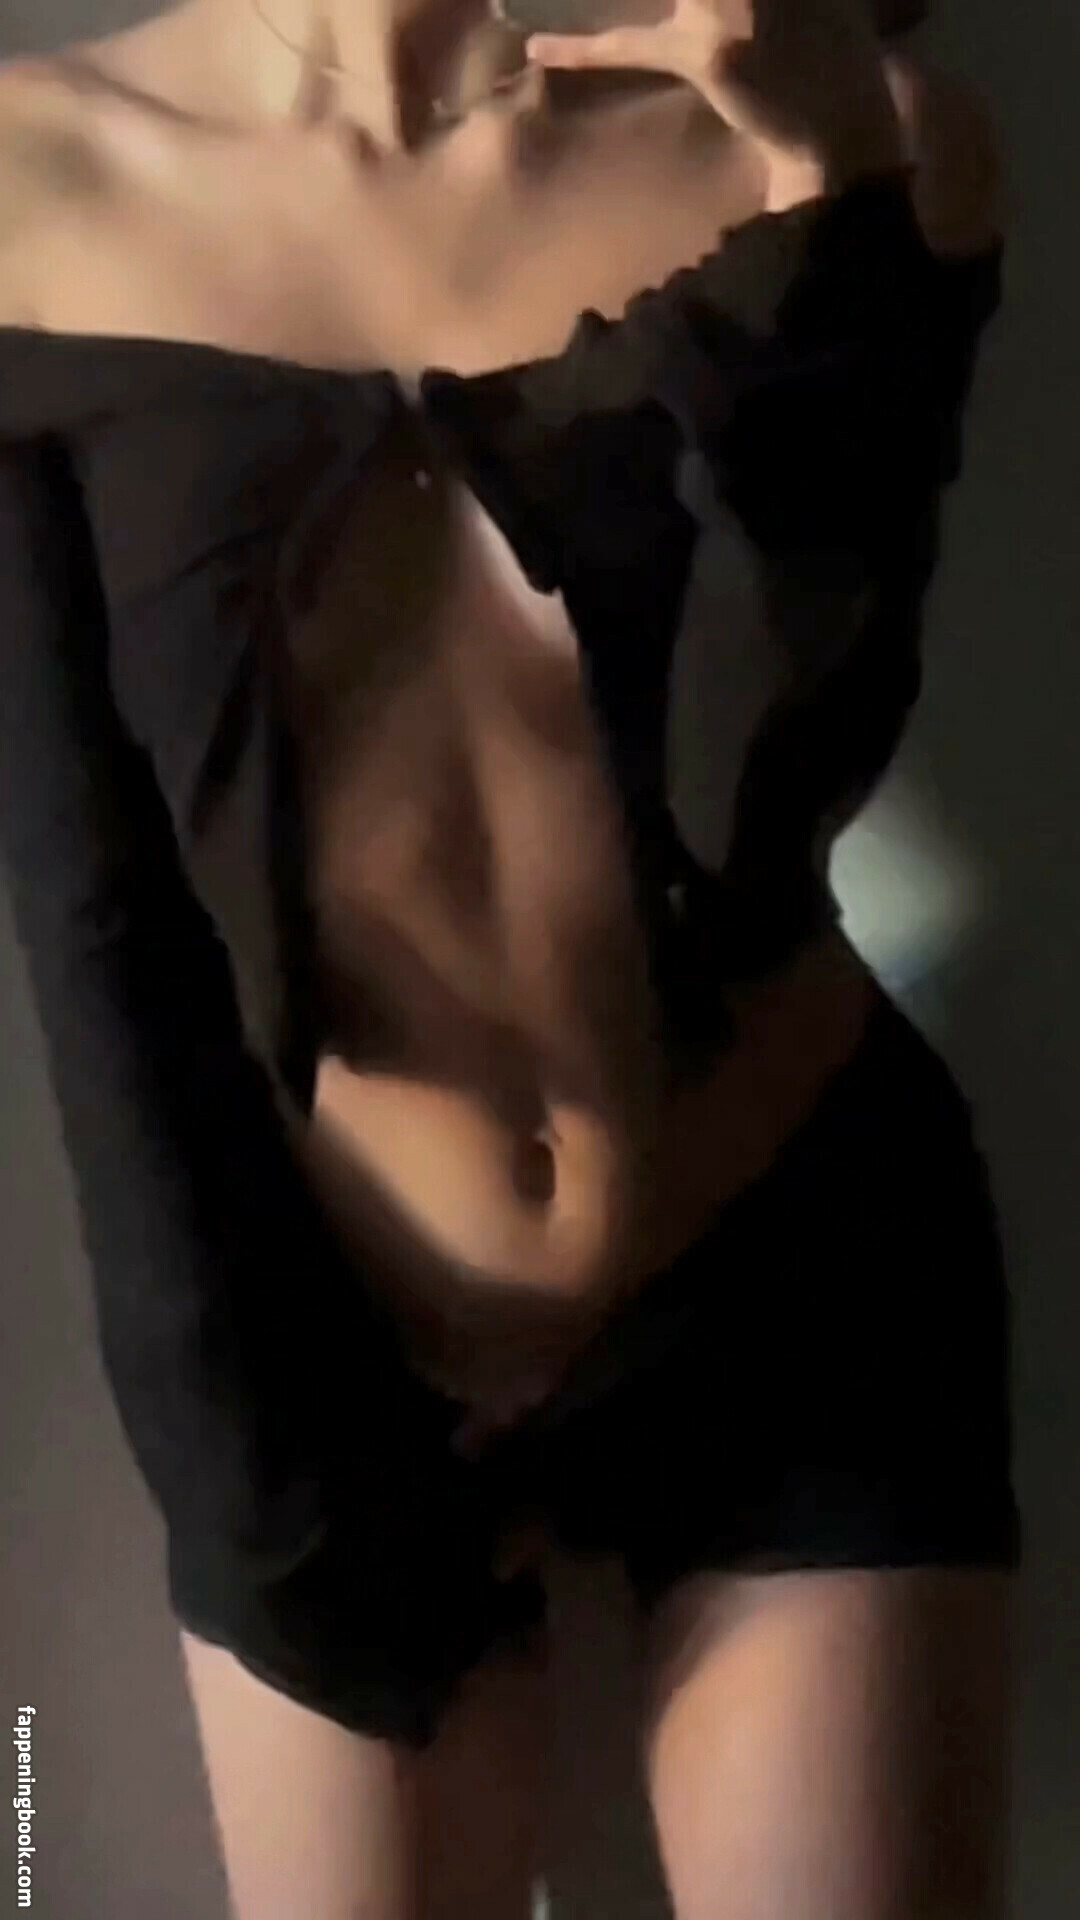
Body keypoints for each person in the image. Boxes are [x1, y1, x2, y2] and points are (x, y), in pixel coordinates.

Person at [0, 0, 1017, 1914]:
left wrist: (832, 192)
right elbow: (94, 926)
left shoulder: (837, 118)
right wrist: (266, 1485)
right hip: (328, 1350)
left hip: (799, 1261)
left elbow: (776, 799)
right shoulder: (28, 180)